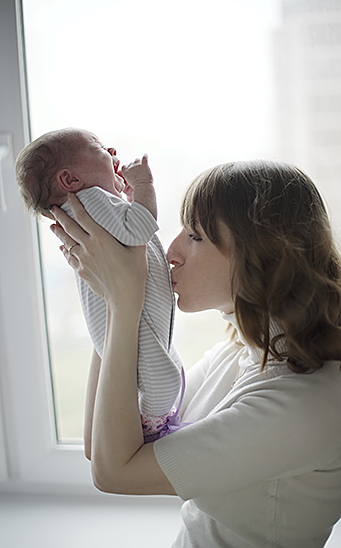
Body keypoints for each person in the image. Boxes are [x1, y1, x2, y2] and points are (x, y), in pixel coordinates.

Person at [50, 159, 341, 548]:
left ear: (263, 253)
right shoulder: (243, 353)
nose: (171, 252)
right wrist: (111, 301)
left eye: (196, 235)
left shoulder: (304, 401)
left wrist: (125, 301)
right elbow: (104, 442)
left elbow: (114, 472)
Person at [15, 128, 183, 443]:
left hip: (122, 318)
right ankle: (150, 425)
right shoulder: (90, 200)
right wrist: (144, 185)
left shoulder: (87, 211)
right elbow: (140, 231)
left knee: (162, 370)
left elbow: (128, 230)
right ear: (70, 180)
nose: (111, 149)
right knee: (164, 379)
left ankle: (149, 417)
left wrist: (129, 201)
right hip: (132, 315)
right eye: (98, 147)